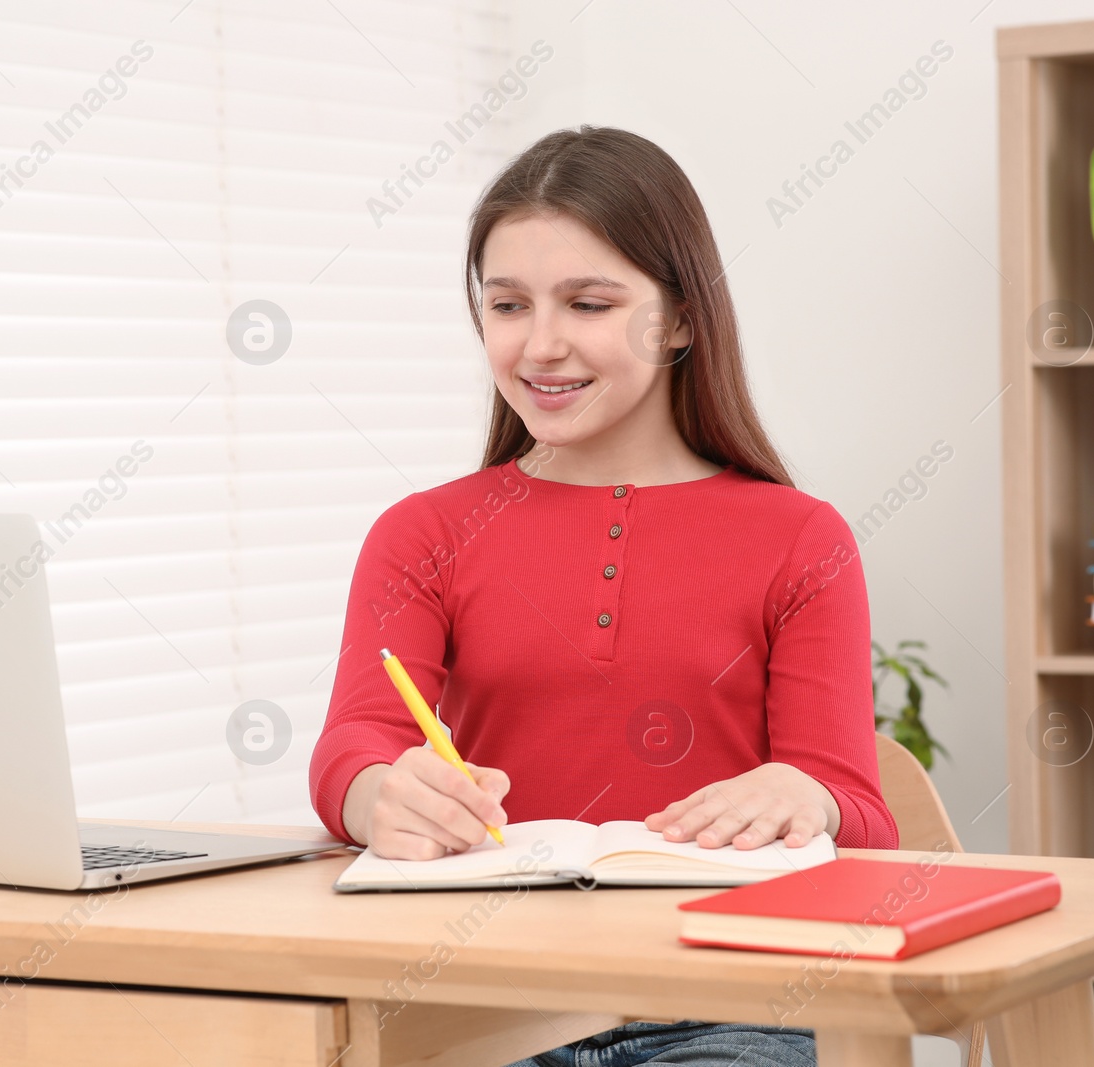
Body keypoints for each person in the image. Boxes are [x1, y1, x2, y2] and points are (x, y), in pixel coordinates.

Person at [308, 124, 897, 1066]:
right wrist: (381, 793)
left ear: (681, 318)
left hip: (729, 1003)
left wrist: (810, 795)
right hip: (479, 1000)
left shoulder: (801, 537)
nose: (541, 345)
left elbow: (861, 812)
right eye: (507, 305)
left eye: (588, 303)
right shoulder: (421, 534)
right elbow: (351, 750)